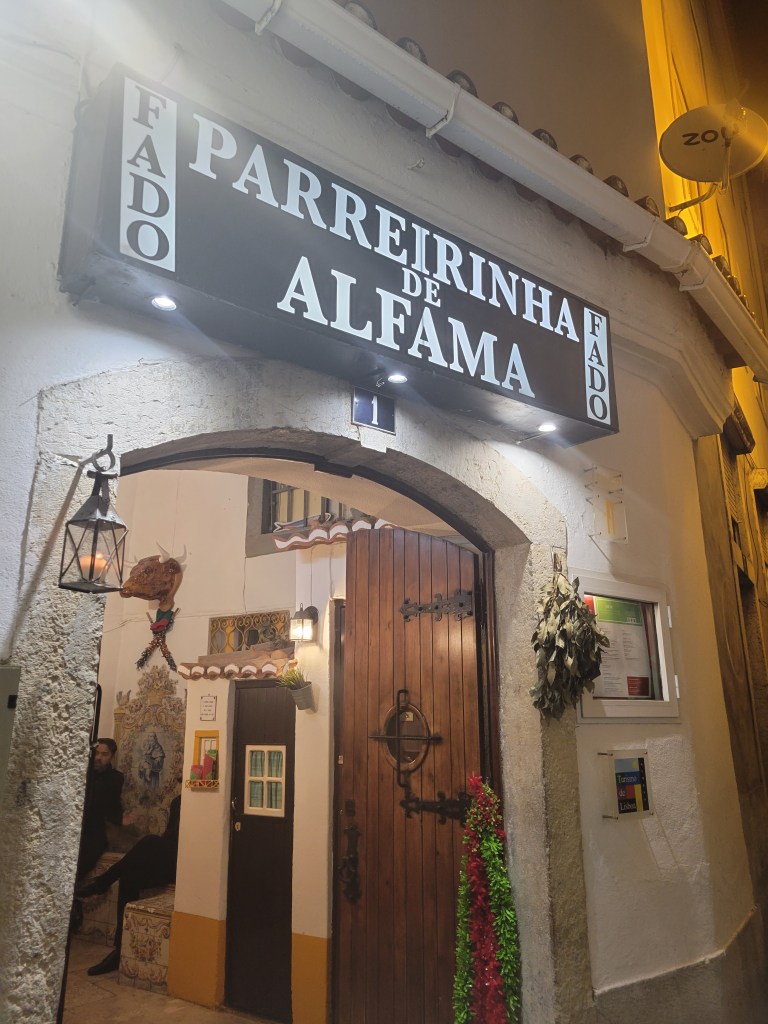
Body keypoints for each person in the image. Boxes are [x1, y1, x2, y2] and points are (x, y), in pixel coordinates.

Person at [76, 793, 182, 976]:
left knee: (150, 841)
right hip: (172, 863)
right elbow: (170, 838)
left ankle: (102, 882)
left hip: (190, 867)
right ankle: (119, 950)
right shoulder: (179, 801)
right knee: (129, 877)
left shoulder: (206, 801)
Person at [76, 738, 125, 882]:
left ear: (111, 757)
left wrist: (120, 819)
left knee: (89, 850)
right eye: (96, 753)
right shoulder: (82, 773)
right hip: (76, 825)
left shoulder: (116, 778)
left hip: (94, 830)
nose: (98, 757)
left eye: (104, 754)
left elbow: (110, 805)